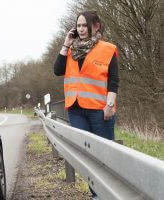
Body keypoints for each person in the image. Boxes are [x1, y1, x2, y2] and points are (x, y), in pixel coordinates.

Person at [53, 11, 119, 199]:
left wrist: (110, 104)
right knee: (87, 156)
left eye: (85, 25)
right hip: (76, 110)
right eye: (79, 25)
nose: (81, 29)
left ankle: (109, 195)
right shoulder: (71, 49)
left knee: (104, 157)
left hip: (100, 110)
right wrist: (66, 44)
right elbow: (57, 70)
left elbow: (114, 81)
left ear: (95, 26)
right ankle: (96, 195)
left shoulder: (107, 49)